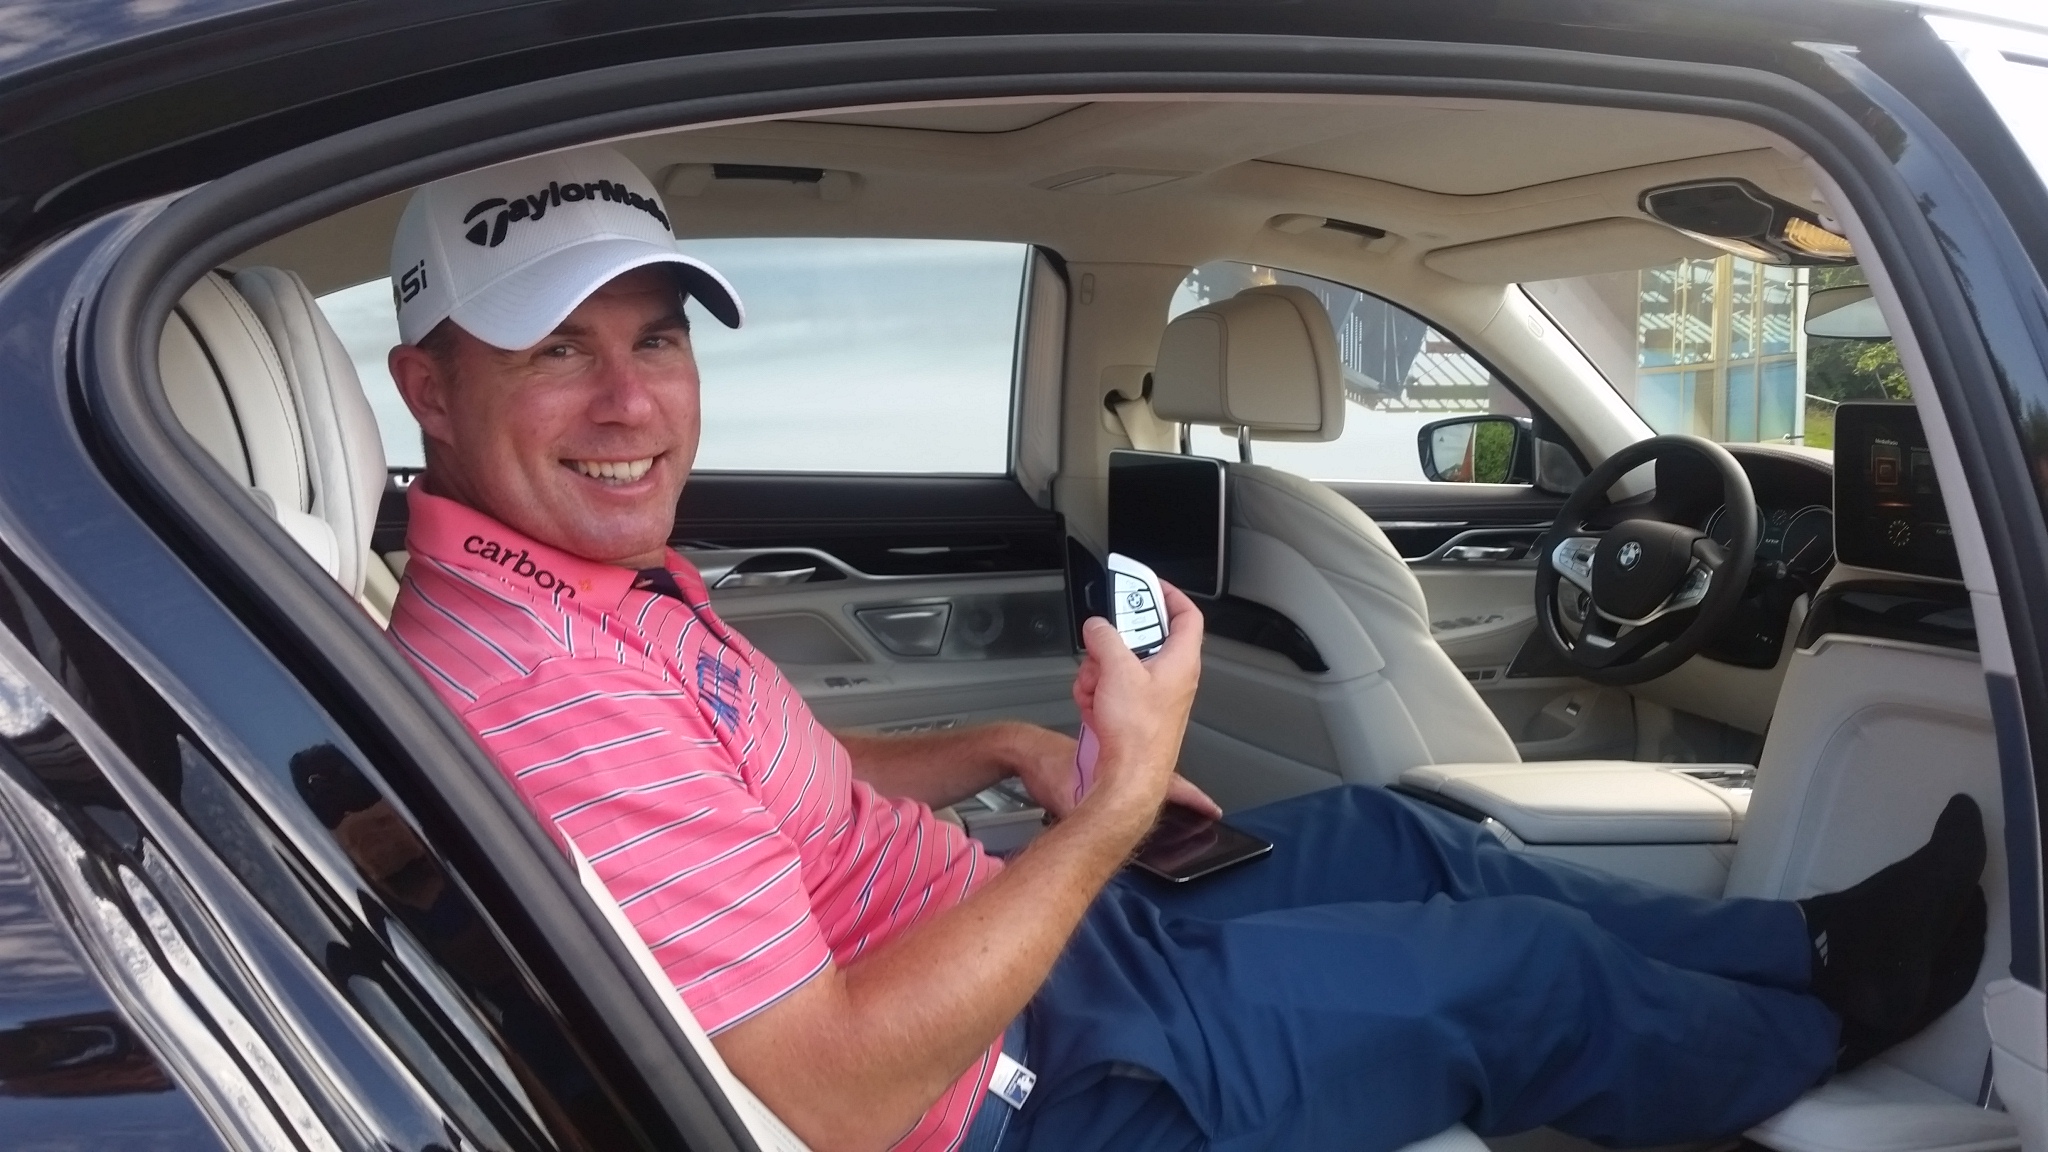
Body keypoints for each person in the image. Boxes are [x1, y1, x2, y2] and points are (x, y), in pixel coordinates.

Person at [382, 146, 1988, 1152]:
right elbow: (835, 1099)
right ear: (427, 390)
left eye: (654, 337)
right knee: (1514, 974)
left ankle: (1805, 950)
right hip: (1026, 1090)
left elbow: (761, 790)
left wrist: (1003, 757)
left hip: (1003, 958)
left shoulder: (585, 589)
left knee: (1395, 831)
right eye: (554, 351)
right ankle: (1823, 1039)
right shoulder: (538, 690)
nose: (632, 403)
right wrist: (1098, 810)